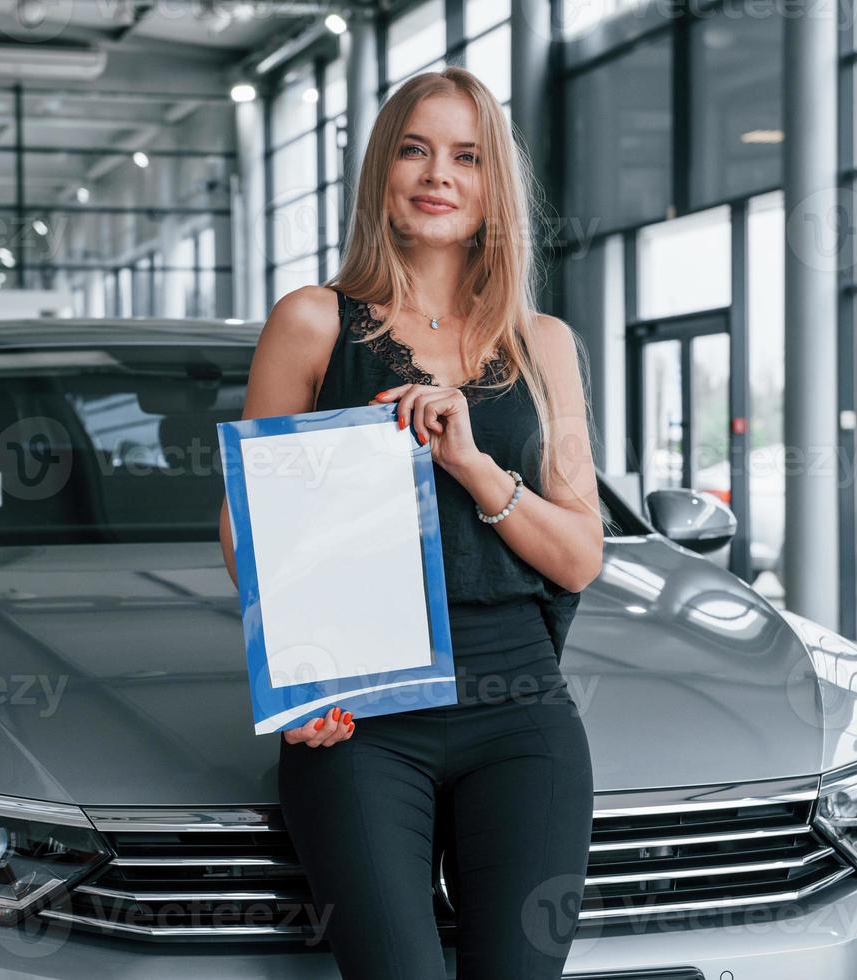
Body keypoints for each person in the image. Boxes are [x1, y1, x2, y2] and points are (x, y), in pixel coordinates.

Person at [218, 65, 611, 979]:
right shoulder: (312, 323)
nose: (439, 174)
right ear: (383, 174)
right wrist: (301, 678)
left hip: (520, 705)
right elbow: (249, 530)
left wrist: (472, 464)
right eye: (416, 150)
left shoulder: (542, 343)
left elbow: (582, 555)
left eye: (467, 157)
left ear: (491, 189)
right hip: (363, 712)